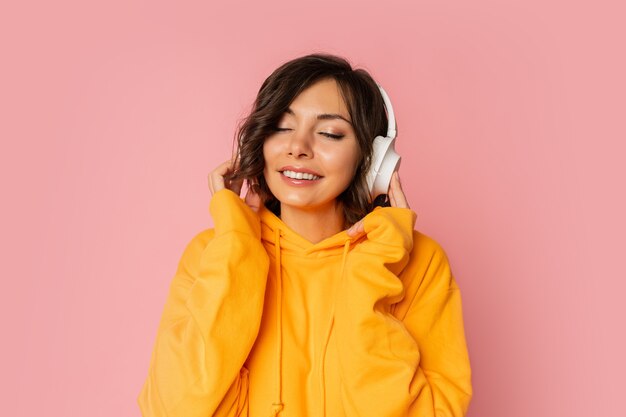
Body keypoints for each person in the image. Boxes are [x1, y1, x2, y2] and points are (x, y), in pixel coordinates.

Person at [137, 53, 473, 417]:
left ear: (373, 159)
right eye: (281, 128)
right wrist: (237, 243)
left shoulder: (417, 260)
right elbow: (173, 408)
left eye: (329, 133)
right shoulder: (215, 252)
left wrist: (373, 269)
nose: (298, 147)